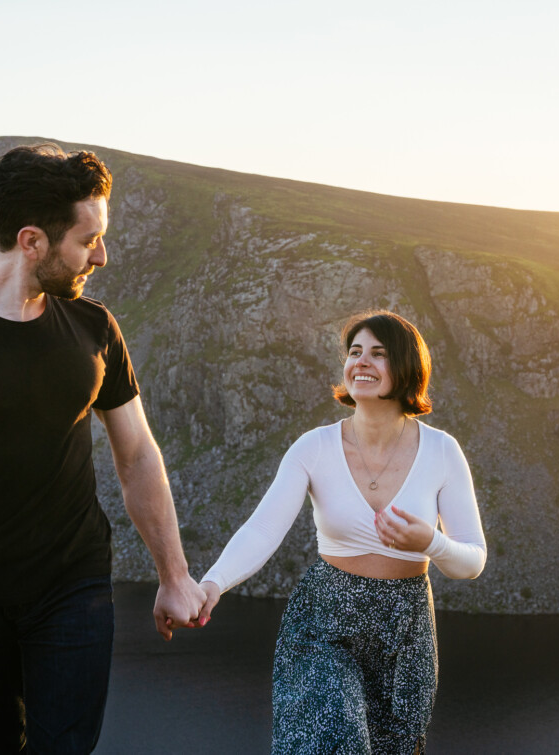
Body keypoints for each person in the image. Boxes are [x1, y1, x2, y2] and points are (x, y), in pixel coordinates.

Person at [0, 143, 204, 754]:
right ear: (32, 241)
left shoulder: (93, 328)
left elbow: (137, 456)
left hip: (72, 585)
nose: (101, 256)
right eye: (87, 240)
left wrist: (174, 575)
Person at [198, 310, 486, 754]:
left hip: (406, 630)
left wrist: (430, 542)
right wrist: (213, 584)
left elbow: (473, 559)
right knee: (333, 738)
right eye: (355, 353)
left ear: (408, 368)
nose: (361, 363)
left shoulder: (443, 451)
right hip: (324, 621)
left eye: (379, 353)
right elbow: (263, 528)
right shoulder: (314, 447)